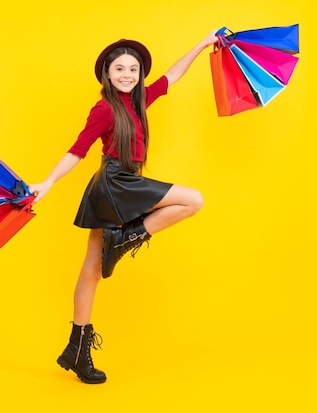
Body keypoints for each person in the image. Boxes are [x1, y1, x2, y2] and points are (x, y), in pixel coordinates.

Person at [29, 31, 218, 384]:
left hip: (118, 183)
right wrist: (48, 182)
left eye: (133, 69)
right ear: (108, 75)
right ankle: (127, 239)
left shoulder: (141, 99)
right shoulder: (104, 109)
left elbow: (172, 76)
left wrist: (203, 43)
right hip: (115, 182)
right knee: (193, 200)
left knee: (91, 271)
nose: (127, 74)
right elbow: (77, 150)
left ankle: (75, 349)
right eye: (120, 69)